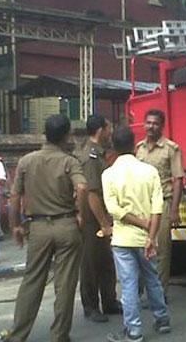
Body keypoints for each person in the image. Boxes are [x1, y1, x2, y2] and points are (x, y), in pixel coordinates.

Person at [0, 114, 88, 342]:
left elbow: (15, 195)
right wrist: (80, 214)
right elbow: (83, 187)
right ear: (67, 135)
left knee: (32, 281)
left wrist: (15, 225)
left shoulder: (27, 161)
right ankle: (59, 335)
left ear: (45, 133)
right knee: (65, 284)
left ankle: (18, 334)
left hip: (37, 227)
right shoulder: (70, 161)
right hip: (66, 224)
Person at [103, 126, 171, 342]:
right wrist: (150, 235)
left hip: (122, 238)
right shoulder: (149, 171)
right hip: (146, 238)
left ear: (113, 146)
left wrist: (138, 222)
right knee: (152, 278)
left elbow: (113, 209)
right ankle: (162, 319)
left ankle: (133, 330)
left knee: (129, 284)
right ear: (134, 144)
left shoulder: (108, 174)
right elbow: (157, 207)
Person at [135, 109, 185, 299]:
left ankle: (159, 294)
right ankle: (139, 292)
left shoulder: (171, 149)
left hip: (162, 204)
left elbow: (178, 180)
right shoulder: (138, 149)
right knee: (139, 248)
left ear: (162, 126)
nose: (151, 126)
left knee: (161, 251)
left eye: (155, 123)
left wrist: (174, 210)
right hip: (141, 207)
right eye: (148, 122)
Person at [76, 115, 121, 323]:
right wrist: (104, 223)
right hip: (93, 219)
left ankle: (110, 301)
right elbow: (92, 193)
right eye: (108, 127)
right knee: (91, 264)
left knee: (106, 262)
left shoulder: (100, 154)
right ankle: (91, 306)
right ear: (100, 130)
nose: (110, 131)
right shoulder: (90, 157)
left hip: (102, 215)